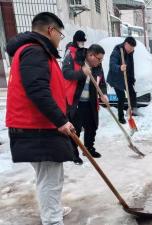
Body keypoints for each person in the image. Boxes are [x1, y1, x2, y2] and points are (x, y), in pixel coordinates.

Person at [6, 12, 75, 225]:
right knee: (50, 177)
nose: (58, 39)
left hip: (38, 126)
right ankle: (52, 220)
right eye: (60, 35)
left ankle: (52, 209)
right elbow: (37, 90)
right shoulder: (35, 52)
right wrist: (60, 121)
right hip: (36, 128)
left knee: (49, 175)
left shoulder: (35, 51)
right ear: (50, 30)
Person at [62, 44, 107, 165]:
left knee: (92, 126)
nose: (100, 61)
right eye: (99, 59)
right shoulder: (74, 58)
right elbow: (65, 73)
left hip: (90, 101)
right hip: (75, 101)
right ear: (91, 55)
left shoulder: (97, 65)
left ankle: (88, 149)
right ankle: (74, 153)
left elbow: (101, 82)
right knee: (74, 129)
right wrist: (82, 72)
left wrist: (104, 94)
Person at [107, 37, 139, 124]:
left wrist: (131, 78)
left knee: (132, 92)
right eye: (130, 48)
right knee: (121, 97)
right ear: (126, 44)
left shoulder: (130, 52)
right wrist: (120, 67)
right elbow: (112, 65)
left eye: (133, 48)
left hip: (126, 76)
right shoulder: (117, 52)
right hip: (116, 78)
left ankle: (132, 110)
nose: (131, 50)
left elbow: (131, 66)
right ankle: (120, 117)